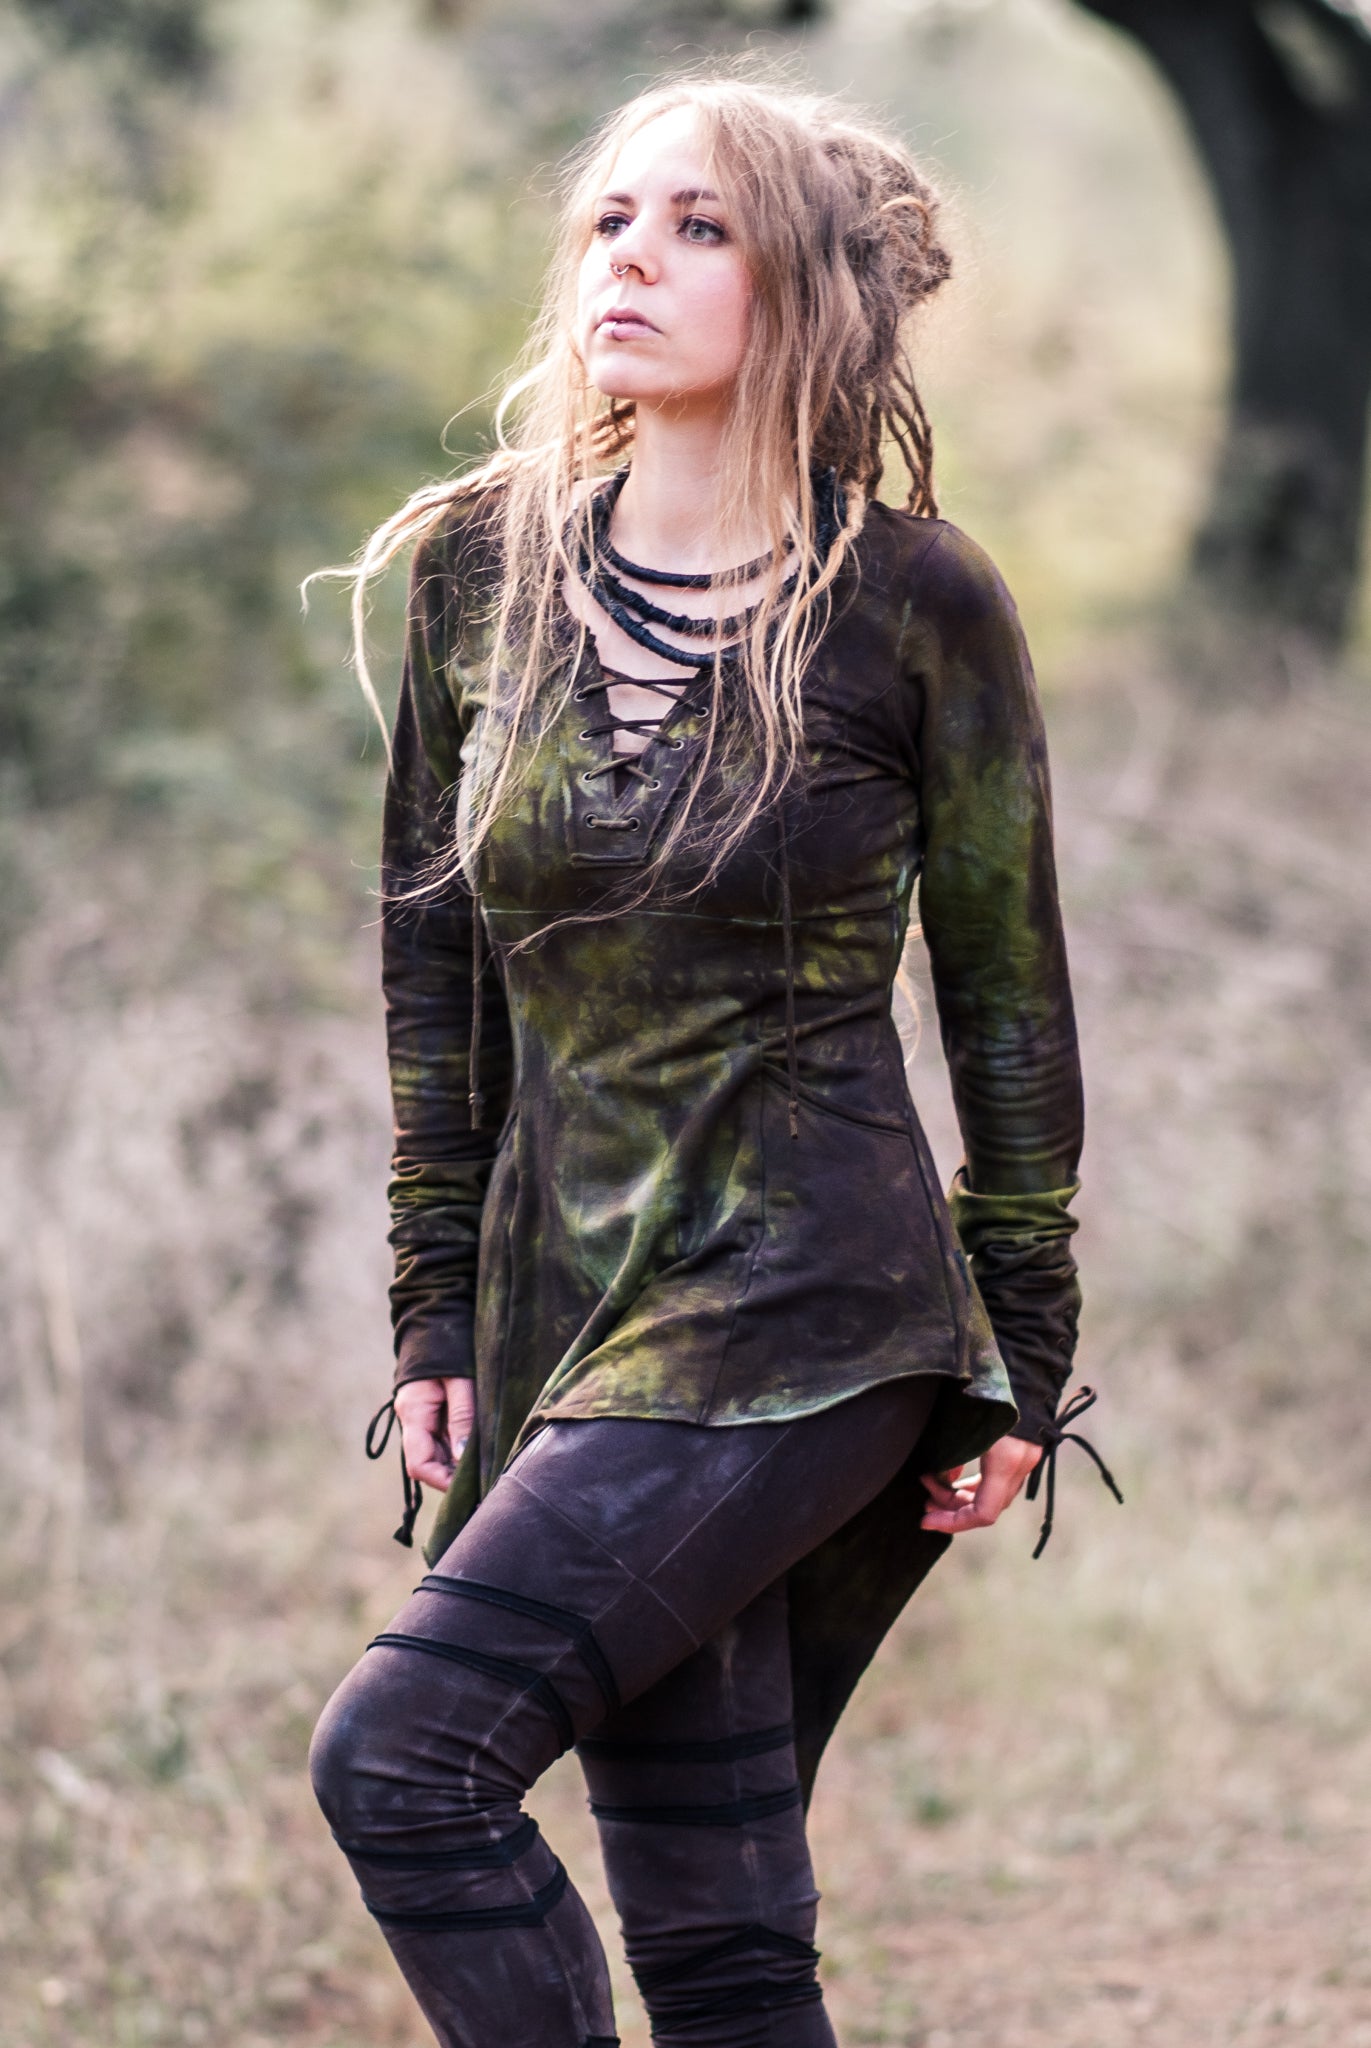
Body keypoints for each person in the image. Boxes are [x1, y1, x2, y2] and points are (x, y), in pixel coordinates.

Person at [309, 71, 1114, 2048]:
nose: (632, 262)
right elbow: (434, 962)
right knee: (720, 1930)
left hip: (810, 1305)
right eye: (610, 219)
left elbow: (1006, 997)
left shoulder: (915, 602)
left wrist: (1020, 1341)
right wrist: (433, 1299)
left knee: (403, 1759)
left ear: (806, 290)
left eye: (698, 227)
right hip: (566, 1297)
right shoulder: (481, 571)